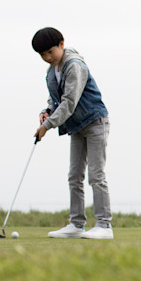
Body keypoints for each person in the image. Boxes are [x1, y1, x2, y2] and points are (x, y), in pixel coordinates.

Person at [32, 27, 114, 240]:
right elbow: (56, 100)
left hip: (95, 121)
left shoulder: (75, 65)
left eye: (50, 52)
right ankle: (77, 225)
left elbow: (70, 101)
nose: (47, 57)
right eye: (42, 55)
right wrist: (46, 112)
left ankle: (104, 225)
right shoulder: (52, 72)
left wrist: (46, 126)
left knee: (96, 174)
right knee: (74, 176)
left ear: (61, 44)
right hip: (76, 126)